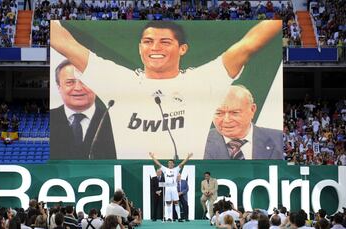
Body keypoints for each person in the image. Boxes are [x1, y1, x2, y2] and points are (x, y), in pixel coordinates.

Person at [50, 20, 282, 159]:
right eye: (148, 41)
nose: (155, 48)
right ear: (140, 48)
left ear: (182, 49)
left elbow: (249, 44)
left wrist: (287, 15)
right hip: (130, 183)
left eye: (165, 42)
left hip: (188, 183)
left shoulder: (204, 80)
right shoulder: (117, 80)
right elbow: (65, 44)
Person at [50, 59, 116, 159]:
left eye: (85, 82)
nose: (78, 88)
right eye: (70, 82)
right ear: (59, 87)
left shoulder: (114, 120)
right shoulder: (50, 118)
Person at [204, 85, 284, 160]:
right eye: (219, 113)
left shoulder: (279, 139)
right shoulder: (200, 141)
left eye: (235, 113)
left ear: (252, 110)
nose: (226, 120)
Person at [149, 152, 193, 222]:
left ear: (173, 164)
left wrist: (188, 157)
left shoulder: (176, 169)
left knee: (176, 202)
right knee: (168, 203)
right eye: (169, 163)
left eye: (171, 163)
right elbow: (158, 163)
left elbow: (182, 163)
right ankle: (169, 217)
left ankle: (179, 218)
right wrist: (152, 157)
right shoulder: (164, 169)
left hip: (174, 188)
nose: (170, 164)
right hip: (168, 188)